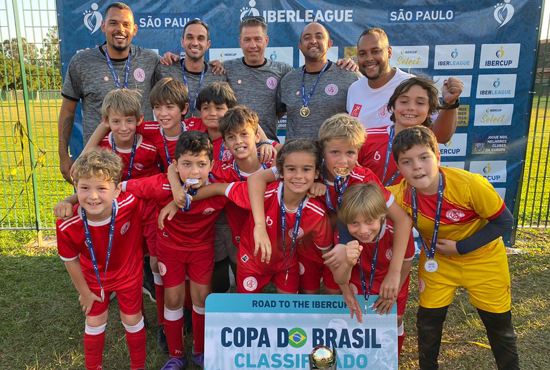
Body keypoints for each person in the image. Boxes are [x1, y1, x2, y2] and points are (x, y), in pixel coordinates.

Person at [379, 126, 519, 369]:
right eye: (406, 161)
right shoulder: (399, 194)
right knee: (428, 323)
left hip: (484, 261)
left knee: (499, 326)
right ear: (399, 168)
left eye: (424, 157)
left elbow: (505, 221)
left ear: (438, 157)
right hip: (438, 264)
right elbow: (361, 196)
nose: (417, 167)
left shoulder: (469, 185)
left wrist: (462, 247)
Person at [124, 131, 228, 369]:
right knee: (173, 298)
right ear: (175, 165)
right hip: (169, 249)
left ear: (211, 164)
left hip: (202, 249)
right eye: (186, 164)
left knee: (202, 297)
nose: (194, 172)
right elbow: (119, 187)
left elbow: (253, 180)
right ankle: (176, 355)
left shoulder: (220, 182)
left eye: (201, 164)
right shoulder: (159, 184)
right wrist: (71, 200)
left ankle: (200, 351)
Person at [163, 106, 276, 294]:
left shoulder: (273, 163)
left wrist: (268, 143)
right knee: (229, 284)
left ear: (257, 136)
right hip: (235, 237)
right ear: (224, 142)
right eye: (231, 137)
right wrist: (176, 194)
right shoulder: (223, 169)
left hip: (272, 237)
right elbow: (171, 167)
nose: (238, 141)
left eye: (243, 135)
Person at [55, 148, 147, 370]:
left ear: (117, 190)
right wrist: (85, 293)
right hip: (93, 279)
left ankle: (138, 366)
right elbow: (71, 260)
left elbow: (158, 192)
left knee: (132, 320)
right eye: (85, 188)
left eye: (101, 188)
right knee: (95, 321)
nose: (93, 196)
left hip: (129, 274)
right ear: (76, 187)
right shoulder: (66, 224)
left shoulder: (130, 204)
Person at [58, 2, 161, 183]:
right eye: (113, 23)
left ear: (134, 29)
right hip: (96, 165)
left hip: (142, 165)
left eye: (126, 24)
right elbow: (67, 110)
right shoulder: (82, 62)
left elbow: (174, 89)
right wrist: (63, 154)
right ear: (103, 26)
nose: (120, 29)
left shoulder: (150, 59)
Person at [331, 183, 414, 358]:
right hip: (358, 276)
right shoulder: (343, 237)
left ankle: (393, 357)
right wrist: (347, 263)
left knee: (394, 318)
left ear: (382, 216)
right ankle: (360, 356)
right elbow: (339, 277)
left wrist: (395, 290)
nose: (363, 230)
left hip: (391, 276)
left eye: (369, 221)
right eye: (354, 223)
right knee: (357, 317)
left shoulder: (397, 231)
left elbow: (406, 262)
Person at [347, 28, 463, 143]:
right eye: (362, 54)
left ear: (389, 52)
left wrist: (450, 104)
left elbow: (441, 137)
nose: (369, 58)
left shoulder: (412, 85)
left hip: (403, 161)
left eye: (375, 51)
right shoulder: (354, 89)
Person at [277, 22, 362, 140]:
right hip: (296, 156)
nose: (313, 41)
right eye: (307, 38)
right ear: (300, 47)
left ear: (329, 44)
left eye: (319, 36)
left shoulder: (349, 75)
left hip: (333, 156)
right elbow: (274, 115)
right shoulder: (288, 80)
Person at [358, 77, 440, 186]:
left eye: (420, 103)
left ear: (430, 111)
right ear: (393, 106)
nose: (411, 108)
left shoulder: (430, 145)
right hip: (371, 202)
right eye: (404, 101)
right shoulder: (365, 138)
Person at [159, 19, 227, 118]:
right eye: (190, 37)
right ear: (182, 42)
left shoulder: (218, 75)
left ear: (208, 44)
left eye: (200, 38)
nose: (195, 43)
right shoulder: (165, 70)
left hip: (206, 133)